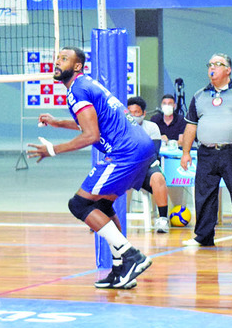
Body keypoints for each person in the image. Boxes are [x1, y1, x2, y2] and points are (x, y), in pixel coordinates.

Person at [30, 49, 157, 288]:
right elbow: (91, 122)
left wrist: (53, 150)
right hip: (140, 147)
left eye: (64, 59)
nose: (57, 62)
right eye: (57, 58)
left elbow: (90, 135)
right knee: (101, 205)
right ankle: (121, 270)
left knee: (79, 204)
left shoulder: (77, 90)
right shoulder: (85, 84)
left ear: (77, 66)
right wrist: (58, 123)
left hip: (126, 152)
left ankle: (131, 255)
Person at [177, 53, 232, 249]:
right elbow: (191, 126)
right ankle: (203, 236)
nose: (212, 68)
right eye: (210, 64)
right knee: (204, 195)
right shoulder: (199, 95)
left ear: (228, 70)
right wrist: (186, 152)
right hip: (206, 153)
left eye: (218, 64)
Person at [123, 96, 172, 234]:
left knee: (158, 178)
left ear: (143, 114)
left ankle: (162, 219)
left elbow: (153, 153)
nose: (133, 116)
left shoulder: (152, 127)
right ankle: (111, 217)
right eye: (130, 113)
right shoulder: (120, 128)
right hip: (126, 168)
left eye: (137, 113)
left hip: (146, 167)